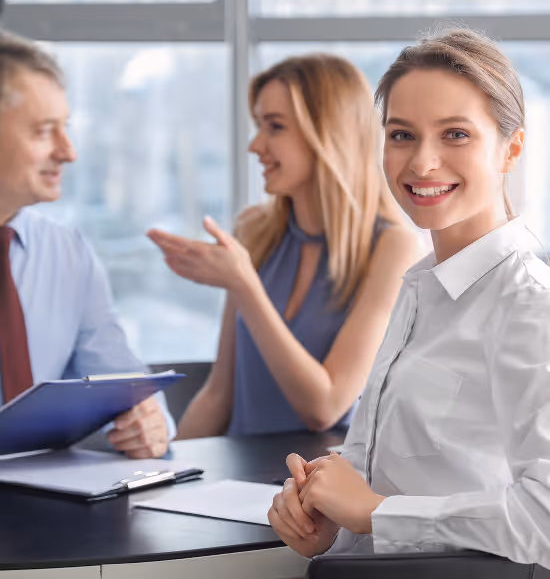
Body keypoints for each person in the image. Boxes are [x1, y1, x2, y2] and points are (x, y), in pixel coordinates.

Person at [268, 28, 550, 569]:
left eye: (456, 135)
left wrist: (374, 515)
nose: (422, 162)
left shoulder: (528, 306)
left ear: (510, 149)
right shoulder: (421, 289)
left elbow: (544, 517)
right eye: (401, 135)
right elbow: (382, 475)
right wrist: (324, 515)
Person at [148, 54, 419, 438]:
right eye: (258, 125)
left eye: (275, 127)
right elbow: (219, 394)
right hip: (233, 486)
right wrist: (167, 478)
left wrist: (245, 285)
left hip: (319, 488)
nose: (255, 145)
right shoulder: (253, 231)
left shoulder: (394, 248)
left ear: (327, 133)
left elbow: (325, 407)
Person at [0, 31, 175, 459]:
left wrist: (152, 424)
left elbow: (125, 382)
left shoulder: (67, 253)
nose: (69, 152)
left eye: (66, 128)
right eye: (45, 132)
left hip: (40, 509)